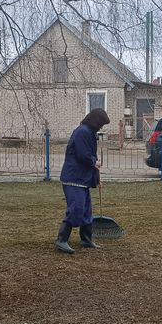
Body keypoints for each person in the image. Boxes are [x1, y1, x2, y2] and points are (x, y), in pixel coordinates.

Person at [55, 107, 111, 254]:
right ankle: (61, 240)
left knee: (86, 210)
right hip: (74, 178)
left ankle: (86, 239)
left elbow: (89, 155)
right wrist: (94, 162)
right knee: (76, 209)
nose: (101, 127)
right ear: (96, 121)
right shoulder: (82, 132)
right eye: (101, 124)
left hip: (82, 179)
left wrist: (96, 178)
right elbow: (83, 155)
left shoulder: (88, 132)